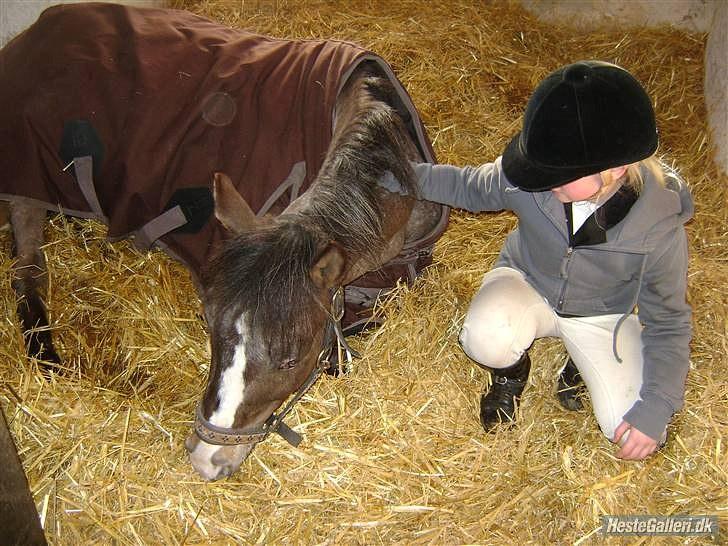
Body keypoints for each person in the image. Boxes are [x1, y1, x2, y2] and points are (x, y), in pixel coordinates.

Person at [385, 60, 693, 461]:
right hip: (527, 281)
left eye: (561, 173)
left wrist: (657, 406)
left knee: (625, 425)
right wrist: (397, 176)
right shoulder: (536, 176)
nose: (544, 180)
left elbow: (668, 321)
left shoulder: (659, 225)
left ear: (616, 167)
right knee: (485, 337)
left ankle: (578, 363)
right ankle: (511, 373)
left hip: (599, 315)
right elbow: (467, 186)